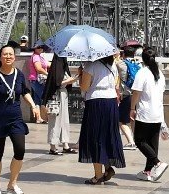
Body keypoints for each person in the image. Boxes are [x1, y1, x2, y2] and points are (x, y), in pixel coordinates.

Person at [0, 45, 43, 194]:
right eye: (5, 54)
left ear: (14, 57)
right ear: (1, 57)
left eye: (10, 54)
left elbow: (25, 92)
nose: (8, 57)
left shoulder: (19, 74)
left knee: (20, 150)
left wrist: (33, 106)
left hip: (15, 118)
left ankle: (12, 184)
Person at [77, 53, 126, 184]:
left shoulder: (91, 66)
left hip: (96, 101)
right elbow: (116, 84)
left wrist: (81, 75)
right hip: (111, 102)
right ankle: (108, 167)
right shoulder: (113, 65)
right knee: (107, 135)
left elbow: (84, 87)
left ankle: (98, 175)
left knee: (95, 137)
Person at [130, 46, 169, 182]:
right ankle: (147, 171)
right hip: (157, 113)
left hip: (145, 113)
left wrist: (132, 108)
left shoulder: (142, 73)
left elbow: (136, 92)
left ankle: (158, 163)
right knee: (152, 144)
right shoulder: (159, 74)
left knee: (139, 140)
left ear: (143, 59)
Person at [42, 53, 76, 155]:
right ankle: (53, 146)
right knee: (55, 121)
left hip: (63, 95)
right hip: (56, 96)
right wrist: (70, 80)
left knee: (64, 121)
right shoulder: (56, 69)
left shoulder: (62, 67)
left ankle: (65, 144)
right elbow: (57, 83)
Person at [117, 49, 138, 149]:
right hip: (137, 94)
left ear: (124, 54)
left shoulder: (120, 64)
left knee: (121, 120)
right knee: (133, 119)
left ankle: (131, 142)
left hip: (126, 94)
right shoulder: (138, 64)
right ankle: (137, 141)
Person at [27, 43, 49, 120]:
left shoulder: (39, 57)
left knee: (37, 100)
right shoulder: (36, 57)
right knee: (43, 97)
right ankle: (45, 117)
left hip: (36, 80)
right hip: (37, 80)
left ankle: (38, 118)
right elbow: (38, 68)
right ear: (35, 49)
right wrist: (48, 74)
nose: (40, 49)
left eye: (41, 47)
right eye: (38, 47)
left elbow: (47, 64)